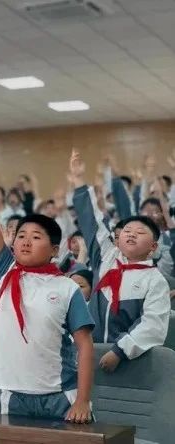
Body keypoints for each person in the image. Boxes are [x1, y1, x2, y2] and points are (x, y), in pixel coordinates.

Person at [0, 135, 93, 423]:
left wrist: (82, 400)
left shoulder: (67, 287)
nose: (26, 241)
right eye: (21, 236)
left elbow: (85, 346)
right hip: (13, 395)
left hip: (60, 395)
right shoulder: (3, 271)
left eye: (36, 237)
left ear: (54, 250)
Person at [70, 149, 170, 372]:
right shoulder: (107, 257)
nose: (131, 234)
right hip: (89, 352)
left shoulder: (155, 281)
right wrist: (79, 181)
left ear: (153, 247)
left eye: (140, 233)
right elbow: (91, 221)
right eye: (127, 231)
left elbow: (153, 325)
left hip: (129, 362)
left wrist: (120, 350)